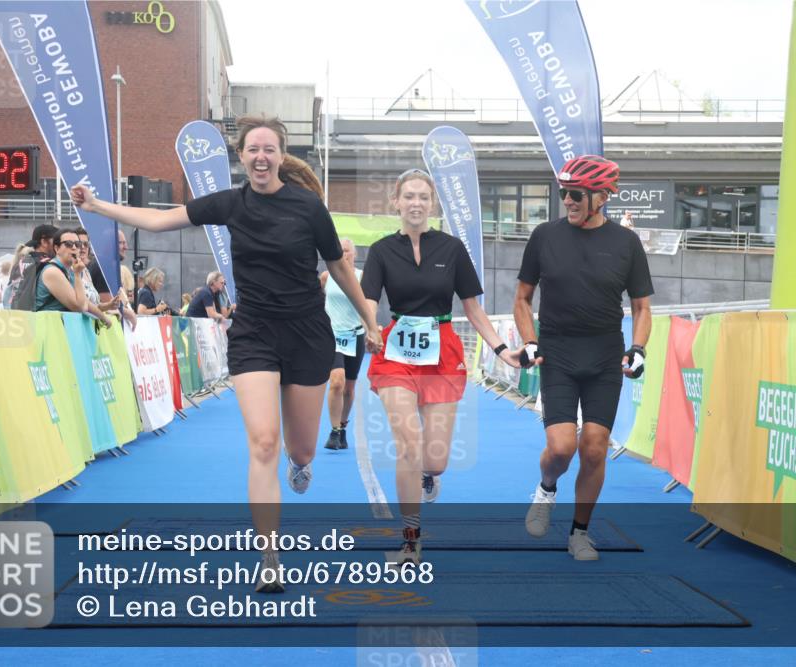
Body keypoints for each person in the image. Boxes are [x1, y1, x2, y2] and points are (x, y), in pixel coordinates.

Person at [71, 114, 382, 593]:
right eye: (253, 149)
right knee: (262, 444)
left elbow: (338, 267)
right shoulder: (229, 205)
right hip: (254, 332)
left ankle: (301, 464)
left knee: (299, 449)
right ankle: (270, 558)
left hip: (306, 333)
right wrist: (96, 205)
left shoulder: (308, 207)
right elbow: (157, 220)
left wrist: (368, 316)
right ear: (242, 156)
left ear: (281, 155)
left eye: (269, 149)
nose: (261, 157)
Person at [361, 169, 524, 564]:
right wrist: (370, 328)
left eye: (423, 197)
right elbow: (369, 300)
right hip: (396, 354)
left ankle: (429, 475)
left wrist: (502, 350)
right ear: (396, 202)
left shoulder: (451, 250)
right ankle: (410, 542)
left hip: (443, 352)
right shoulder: (382, 250)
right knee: (409, 447)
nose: (416, 203)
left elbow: (473, 308)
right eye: (409, 196)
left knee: (434, 460)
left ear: (432, 205)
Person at [514, 155, 653, 561]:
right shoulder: (544, 236)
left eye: (575, 194)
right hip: (557, 353)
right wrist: (530, 339)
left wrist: (640, 348)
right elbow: (522, 298)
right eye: (564, 193)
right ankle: (546, 489)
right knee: (561, 449)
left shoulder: (626, 244)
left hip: (605, 355)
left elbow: (642, 307)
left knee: (594, 447)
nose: (568, 201)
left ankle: (579, 533)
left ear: (603, 198)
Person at [320, 238, 363, 451]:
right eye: (340, 251)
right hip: (333, 336)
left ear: (353, 254)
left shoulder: (363, 277)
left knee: (349, 387)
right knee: (337, 381)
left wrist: (372, 329)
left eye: (346, 251)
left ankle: (343, 427)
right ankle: (334, 431)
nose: (343, 254)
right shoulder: (326, 277)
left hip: (356, 335)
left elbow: (368, 306)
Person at [34, 229, 88, 313]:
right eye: (68, 244)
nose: (74, 247)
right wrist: (77, 274)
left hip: (58, 323)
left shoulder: (70, 270)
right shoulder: (52, 272)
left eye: (78, 244)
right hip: (46, 324)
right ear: (57, 248)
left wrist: (102, 311)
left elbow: (84, 304)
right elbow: (80, 308)